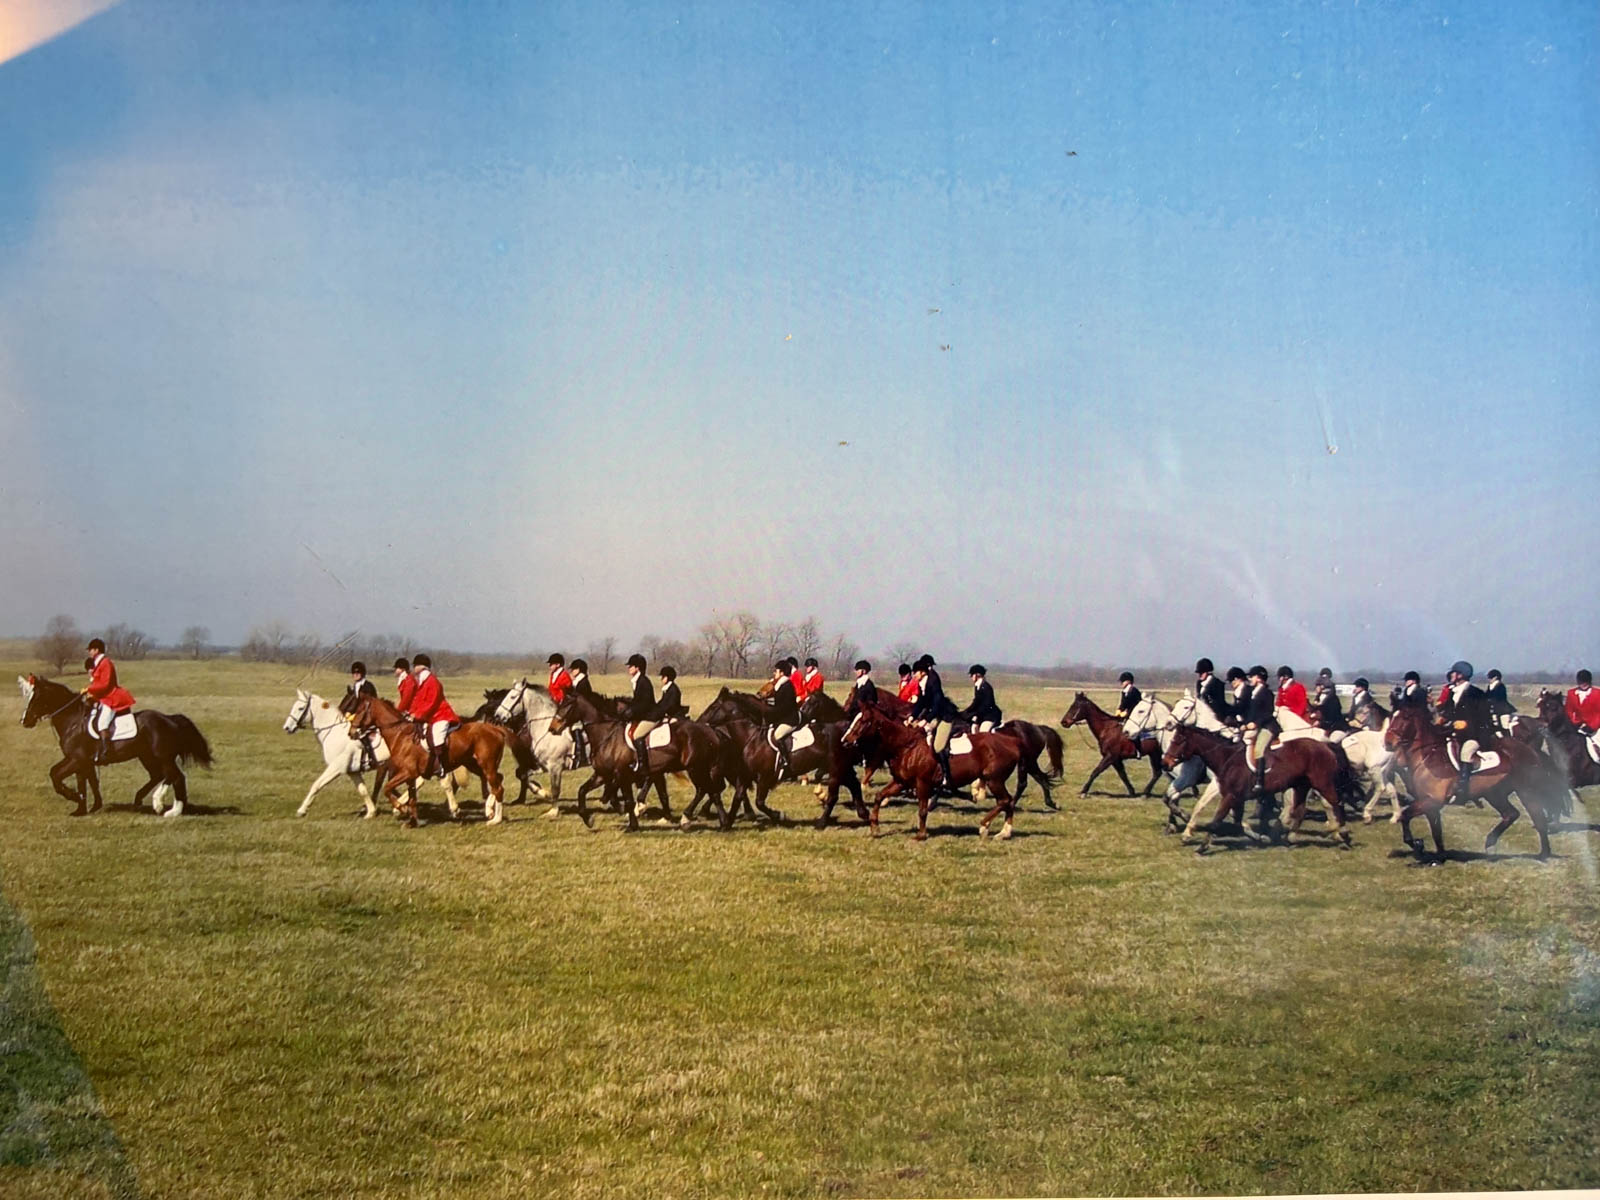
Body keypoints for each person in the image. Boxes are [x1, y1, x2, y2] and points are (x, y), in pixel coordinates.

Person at [1436, 661, 1496, 806]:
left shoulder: (1476, 694)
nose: (1450, 675)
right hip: (1455, 733)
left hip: (1474, 735)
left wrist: (1466, 724)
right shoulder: (1453, 692)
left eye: (1453, 673)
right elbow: (1449, 712)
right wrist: (1442, 719)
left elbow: (1483, 717)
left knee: (1466, 753)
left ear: (1460, 675)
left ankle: (1463, 789)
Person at [80, 637, 136, 764]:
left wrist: (89, 689)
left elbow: (105, 685)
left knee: (102, 723)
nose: (89, 652)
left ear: (96, 650)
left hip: (111, 697)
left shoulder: (106, 663)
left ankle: (107, 751)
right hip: (103, 698)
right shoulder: (98, 663)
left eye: (90, 650)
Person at [405, 654, 458, 778]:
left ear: (422, 667)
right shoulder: (422, 681)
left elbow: (431, 702)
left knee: (437, 737)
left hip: (441, 715)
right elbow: (418, 700)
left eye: (415, 665)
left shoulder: (432, 681)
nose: (414, 668)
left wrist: (418, 715)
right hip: (430, 716)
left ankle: (441, 766)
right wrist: (410, 712)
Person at [910, 654, 959, 787]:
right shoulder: (922, 683)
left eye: (915, 672)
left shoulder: (933, 681)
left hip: (944, 716)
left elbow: (937, 705)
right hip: (934, 715)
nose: (913, 675)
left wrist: (926, 720)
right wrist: (912, 717)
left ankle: (946, 776)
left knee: (938, 746)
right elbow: (921, 702)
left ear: (922, 672)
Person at [1241, 665, 1280, 811]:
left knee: (1259, 750)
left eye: (1252, 676)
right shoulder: (1252, 692)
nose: (1250, 679)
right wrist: (1245, 724)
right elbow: (1250, 712)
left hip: (1267, 727)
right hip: (1254, 727)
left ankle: (1259, 781)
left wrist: (1255, 723)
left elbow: (1268, 713)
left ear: (1259, 678)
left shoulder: (1267, 693)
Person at [764, 660, 802, 779]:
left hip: (790, 720)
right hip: (783, 718)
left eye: (776, 671)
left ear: (782, 673)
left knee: (777, 736)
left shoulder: (787, 686)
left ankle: (786, 761)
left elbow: (785, 708)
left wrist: (771, 714)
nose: (774, 673)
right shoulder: (780, 685)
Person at [622, 654, 656, 779]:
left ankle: (643, 766)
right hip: (643, 715)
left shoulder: (644, 682)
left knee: (637, 735)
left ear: (637, 668)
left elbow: (645, 703)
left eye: (631, 666)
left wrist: (632, 711)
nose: (629, 668)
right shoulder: (638, 681)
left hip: (650, 716)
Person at [346, 662, 379, 770]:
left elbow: (368, 704)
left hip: (369, 714)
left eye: (358, 673)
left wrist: (357, 716)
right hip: (360, 714)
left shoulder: (368, 686)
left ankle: (371, 758)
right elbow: (355, 702)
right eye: (354, 673)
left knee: (363, 733)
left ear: (362, 674)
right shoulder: (355, 686)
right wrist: (349, 712)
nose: (355, 675)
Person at [566, 657, 594, 766]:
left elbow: (581, 700)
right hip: (579, 711)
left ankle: (580, 755)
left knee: (576, 727)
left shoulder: (583, 683)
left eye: (573, 669)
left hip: (584, 713)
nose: (572, 671)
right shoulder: (578, 681)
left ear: (579, 670)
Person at [960, 664, 1003, 732]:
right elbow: (976, 702)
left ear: (977, 675)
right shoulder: (978, 686)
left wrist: (976, 713)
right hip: (982, 715)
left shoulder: (986, 687)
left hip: (990, 716)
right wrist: (966, 712)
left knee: (983, 731)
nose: (971, 677)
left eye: (972, 675)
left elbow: (987, 705)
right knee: (974, 728)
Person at [1564, 670, 1600, 739]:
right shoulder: (1571, 693)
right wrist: (1575, 723)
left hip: (1595, 728)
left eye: (1585, 682)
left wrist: (1592, 726)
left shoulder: (1598, 693)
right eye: (1581, 682)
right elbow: (1569, 710)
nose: (1583, 684)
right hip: (1577, 727)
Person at [1312, 668, 1348, 735]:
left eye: (1317, 686)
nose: (1316, 688)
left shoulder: (1333, 700)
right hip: (1323, 727)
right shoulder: (1319, 697)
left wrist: (1320, 723)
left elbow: (1331, 718)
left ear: (1322, 686)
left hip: (1334, 728)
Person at [1194, 658, 1227, 723]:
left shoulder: (1217, 684)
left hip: (1214, 715)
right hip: (1201, 714)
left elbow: (1219, 703)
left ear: (1208, 672)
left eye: (1202, 673)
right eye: (1199, 673)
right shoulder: (1199, 683)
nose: (1200, 675)